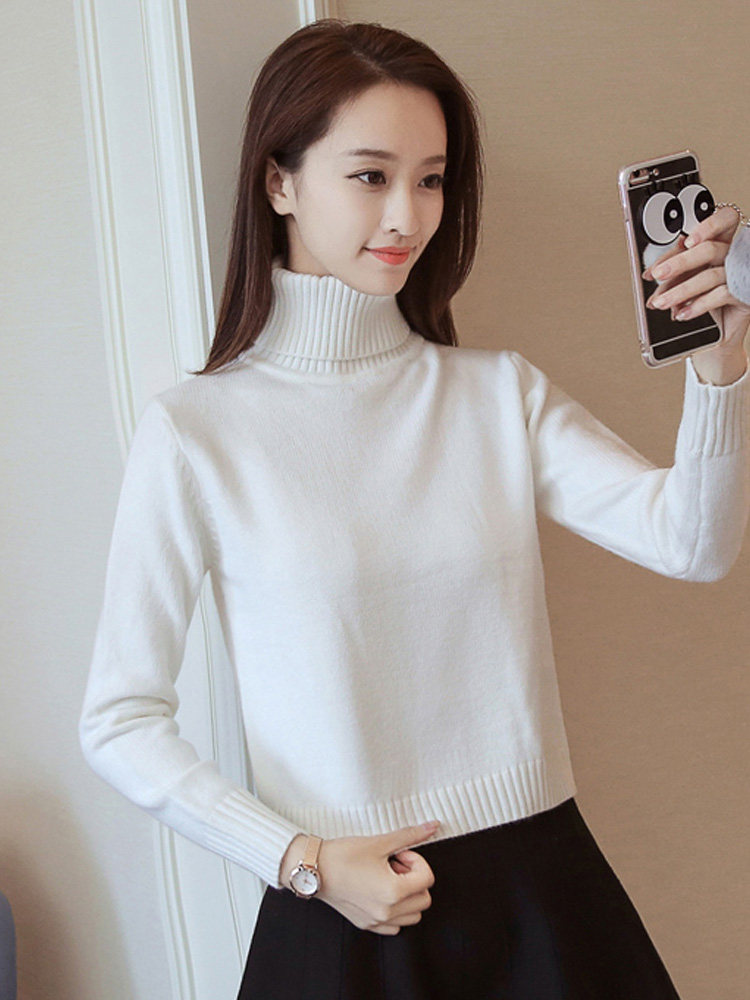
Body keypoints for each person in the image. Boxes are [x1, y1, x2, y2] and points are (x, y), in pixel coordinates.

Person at [78, 18, 750, 1000]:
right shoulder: (197, 432)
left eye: (431, 179)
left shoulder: (495, 394)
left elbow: (693, 544)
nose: (407, 214)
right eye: (370, 175)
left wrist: (719, 368)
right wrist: (301, 859)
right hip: (347, 914)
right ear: (278, 183)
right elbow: (119, 719)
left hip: (544, 900)